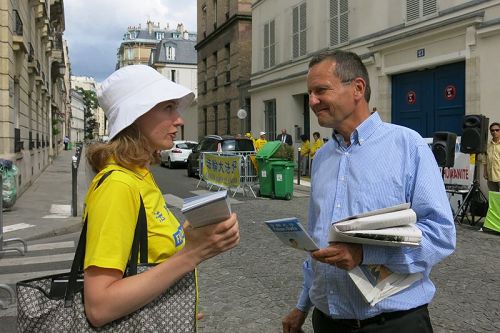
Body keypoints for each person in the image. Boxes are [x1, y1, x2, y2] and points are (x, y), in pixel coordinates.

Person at [282, 50, 456, 333]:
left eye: (321, 90)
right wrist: (303, 305)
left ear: (358, 89)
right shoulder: (322, 158)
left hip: (393, 324)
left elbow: (441, 235)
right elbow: (317, 244)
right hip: (327, 323)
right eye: (310, 92)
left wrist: (365, 254)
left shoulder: (408, 146)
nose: (312, 101)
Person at [83, 65, 240, 328]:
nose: (179, 120)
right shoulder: (118, 184)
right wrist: (193, 253)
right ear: (136, 116)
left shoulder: (139, 175)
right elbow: (100, 305)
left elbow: (146, 262)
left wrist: (174, 305)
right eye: (168, 108)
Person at [483, 122, 500, 191]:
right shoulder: (488, 145)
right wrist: (485, 172)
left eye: (497, 130)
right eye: (492, 130)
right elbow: (485, 159)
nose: (494, 132)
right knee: (494, 197)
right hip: (491, 177)